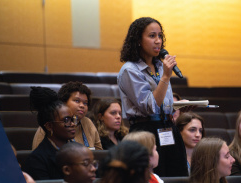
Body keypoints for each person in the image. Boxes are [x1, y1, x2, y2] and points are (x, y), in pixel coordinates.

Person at [117, 17, 192, 176]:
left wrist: (178, 106)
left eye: (160, 36)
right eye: (152, 36)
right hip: (145, 132)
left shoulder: (160, 65)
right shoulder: (130, 70)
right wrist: (165, 76)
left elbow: (164, 103)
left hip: (168, 129)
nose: (158, 41)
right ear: (138, 40)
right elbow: (150, 106)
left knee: (177, 177)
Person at [22, 87, 77, 180]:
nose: (72, 124)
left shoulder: (79, 150)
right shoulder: (37, 160)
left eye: (72, 119)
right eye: (66, 120)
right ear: (49, 126)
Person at [32, 81, 102, 150]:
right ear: (63, 102)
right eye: (77, 101)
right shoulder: (50, 126)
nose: (82, 105)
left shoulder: (88, 122)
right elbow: (38, 157)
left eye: (85, 103)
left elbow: (99, 153)